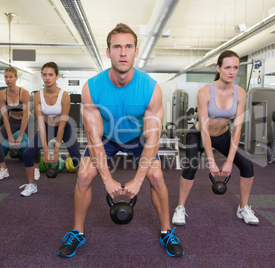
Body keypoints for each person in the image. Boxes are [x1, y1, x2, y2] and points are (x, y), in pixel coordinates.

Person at [57, 23, 184, 258]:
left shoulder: (150, 88)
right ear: (108, 52)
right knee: (84, 174)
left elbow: (152, 140)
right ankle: (77, 232)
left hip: (137, 138)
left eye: (128, 47)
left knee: (156, 175)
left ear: (136, 51)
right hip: (107, 138)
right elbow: (94, 140)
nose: (123, 52)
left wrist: (136, 181)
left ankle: (167, 231)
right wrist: (107, 180)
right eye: (117, 47)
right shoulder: (92, 87)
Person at [171, 50, 259, 226]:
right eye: (227, 67)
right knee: (192, 165)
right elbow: (204, 130)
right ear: (218, 68)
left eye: (235, 67)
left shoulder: (240, 93)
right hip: (198, 135)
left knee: (247, 166)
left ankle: (243, 207)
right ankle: (180, 207)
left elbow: (237, 128)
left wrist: (229, 161)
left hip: (223, 136)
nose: (231, 71)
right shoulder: (205, 92)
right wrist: (211, 161)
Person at [21, 62, 81, 197]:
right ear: (42, 77)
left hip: (64, 127)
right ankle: (32, 185)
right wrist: (46, 152)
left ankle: (81, 186)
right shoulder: (38, 96)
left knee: (76, 155)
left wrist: (55, 151)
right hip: (47, 127)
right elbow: (41, 123)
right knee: (27, 153)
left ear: (57, 77)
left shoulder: (65, 95)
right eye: (44, 75)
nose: (47, 78)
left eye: (50, 75)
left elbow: (62, 123)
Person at [0, 67, 40, 181]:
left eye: (10, 77)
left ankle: (36, 169)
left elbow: (25, 116)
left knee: (35, 144)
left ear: (16, 78)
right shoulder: (2, 94)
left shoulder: (24, 93)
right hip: (11, 120)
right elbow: (4, 116)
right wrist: (9, 135)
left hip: (28, 120)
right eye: (6, 77)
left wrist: (20, 136)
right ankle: (4, 169)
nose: (8, 79)